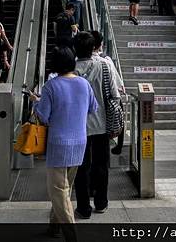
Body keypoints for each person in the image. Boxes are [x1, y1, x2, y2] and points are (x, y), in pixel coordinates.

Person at [29, 47, 97, 234]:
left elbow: (43, 116)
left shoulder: (51, 86)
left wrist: (36, 101)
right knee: (65, 189)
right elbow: (93, 108)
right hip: (80, 142)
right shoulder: (84, 84)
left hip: (58, 144)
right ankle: (54, 225)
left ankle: (70, 233)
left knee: (58, 190)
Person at [74, 32, 119, 219]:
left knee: (80, 167)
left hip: (77, 127)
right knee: (101, 165)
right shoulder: (105, 65)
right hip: (101, 124)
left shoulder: (71, 68)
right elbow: (115, 94)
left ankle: (83, 207)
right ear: (94, 47)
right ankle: (101, 202)